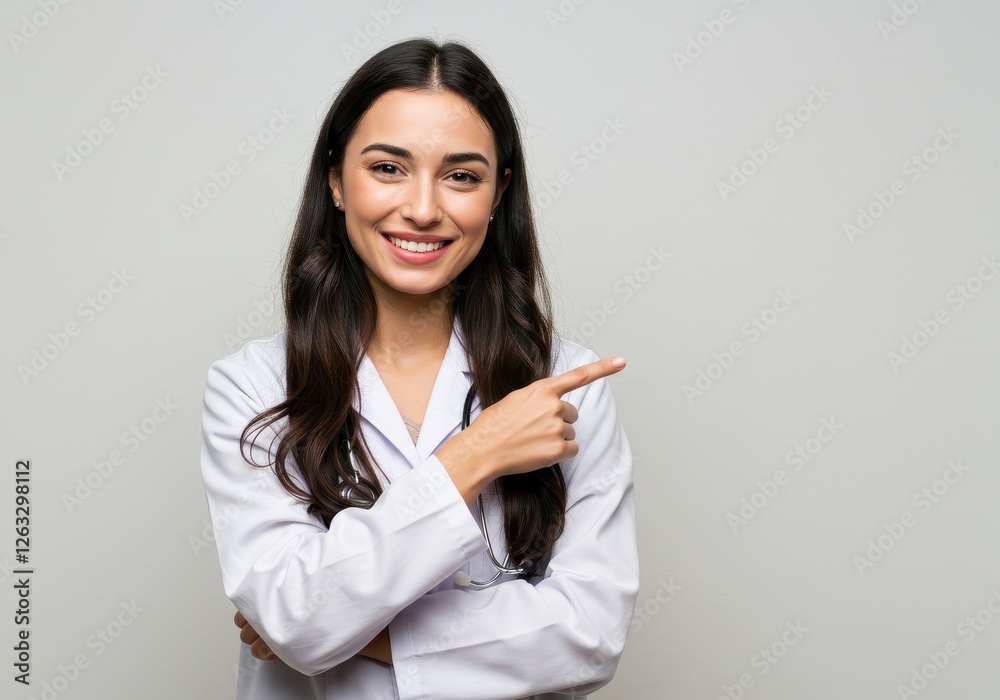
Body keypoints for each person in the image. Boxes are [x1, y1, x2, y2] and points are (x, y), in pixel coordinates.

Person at [199, 37, 639, 699]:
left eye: (461, 176)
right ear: (335, 180)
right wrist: (476, 453)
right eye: (388, 168)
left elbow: (588, 635)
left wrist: (359, 634)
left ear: (498, 195)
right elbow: (295, 617)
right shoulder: (251, 386)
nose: (425, 208)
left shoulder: (566, 387)